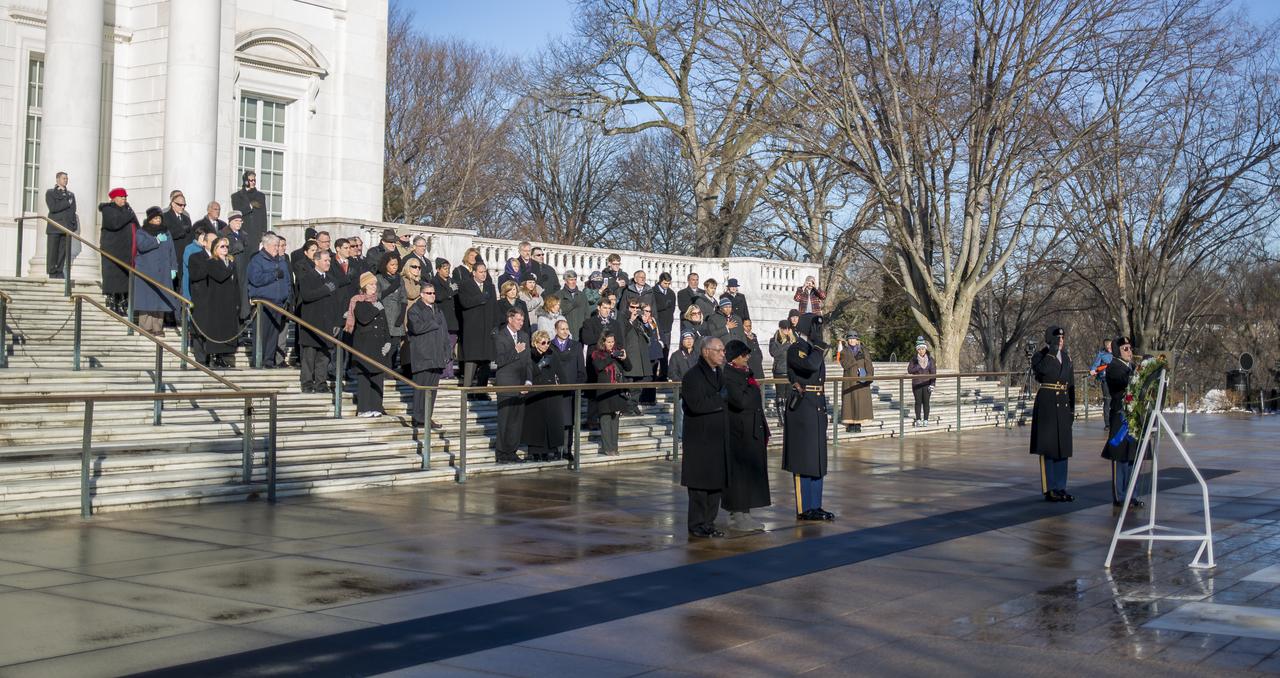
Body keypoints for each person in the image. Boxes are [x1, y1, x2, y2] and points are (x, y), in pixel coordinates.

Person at [784, 314, 834, 521]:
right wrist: (820, 348)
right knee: (804, 459)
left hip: (816, 406)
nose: (818, 333)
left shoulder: (813, 349)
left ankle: (816, 504)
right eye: (815, 328)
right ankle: (805, 508)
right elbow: (810, 366)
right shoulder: (796, 349)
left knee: (817, 457)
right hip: (803, 408)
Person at [680, 337, 730, 538]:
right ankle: (697, 523)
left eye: (723, 350)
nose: (722, 353)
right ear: (706, 351)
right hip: (700, 438)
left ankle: (709, 522)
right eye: (718, 350)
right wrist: (721, 398)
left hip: (718, 436)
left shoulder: (719, 373)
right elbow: (696, 405)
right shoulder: (692, 376)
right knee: (700, 486)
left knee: (715, 485)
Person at [722, 339, 771, 532]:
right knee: (739, 476)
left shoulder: (745, 374)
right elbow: (740, 400)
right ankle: (737, 514)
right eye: (744, 355)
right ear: (735, 357)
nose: (747, 358)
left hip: (752, 428)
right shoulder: (729, 375)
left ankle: (745, 513)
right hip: (739, 432)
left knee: (749, 475)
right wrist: (750, 388)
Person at [1030, 326, 1075, 502]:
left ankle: (1061, 486)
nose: (1061, 341)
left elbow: (1070, 384)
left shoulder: (1067, 357)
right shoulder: (1041, 357)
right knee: (1048, 447)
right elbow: (1043, 372)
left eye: (1063, 338)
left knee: (1062, 447)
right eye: (1057, 338)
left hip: (1063, 404)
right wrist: (1051, 351)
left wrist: (1072, 409)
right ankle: (1050, 488)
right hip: (1047, 404)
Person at [1102, 337, 1142, 509]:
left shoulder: (1131, 367)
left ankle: (1131, 494)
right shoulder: (1114, 367)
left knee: (1132, 456)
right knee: (1121, 457)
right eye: (1125, 349)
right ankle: (1120, 495)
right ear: (1118, 351)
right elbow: (1122, 381)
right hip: (1120, 416)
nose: (1129, 351)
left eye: (1130, 348)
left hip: (1134, 416)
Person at [191, 236, 241, 367]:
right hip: (217, 301)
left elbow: (236, 283)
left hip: (230, 302)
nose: (225, 249)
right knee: (217, 330)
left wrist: (238, 301)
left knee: (228, 330)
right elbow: (220, 276)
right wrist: (230, 268)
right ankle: (215, 356)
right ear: (215, 249)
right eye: (222, 246)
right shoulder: (211, 262)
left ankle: (225, 356)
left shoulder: (231, 262)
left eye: (226, 246)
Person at [348, 272, 393, 417]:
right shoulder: (358, 302)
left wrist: (388, 341)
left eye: (375, 284)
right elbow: (363, 319)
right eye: (371, 284)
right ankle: (363, 408)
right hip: (364, 345)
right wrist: (375, 309)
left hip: (378, 345)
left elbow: (385, 325)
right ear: (364, 287)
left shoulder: (377, 302)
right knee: (365, 377)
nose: (374, 287)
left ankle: (376, 407)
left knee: (377, 376)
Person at [406, 282, 448, 429]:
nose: (432, 296)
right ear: (422, 294)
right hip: (422, 356)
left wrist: (447, 351)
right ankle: (418, 418)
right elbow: (415, 328)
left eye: (434, 293)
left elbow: (445, 333)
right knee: (421, 389)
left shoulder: (438, 310)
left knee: (432, 390)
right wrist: (433, 323)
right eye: (429, 293)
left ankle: (427, 417)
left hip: (437, 356)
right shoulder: (414, 309)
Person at [131, 206, 179, 336]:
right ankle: (145, 327)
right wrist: (156, 240)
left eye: (159, 218)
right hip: (146, 271)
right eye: (155, 218)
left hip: (163, 270)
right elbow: (142, 246)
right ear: (150, 219)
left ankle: (157, 327)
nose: (158, 220)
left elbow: (171, 252)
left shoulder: (166, 233)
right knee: (146, 299)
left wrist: (174, 267)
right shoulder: (142, 232)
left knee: (160, 300)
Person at [246, 233, 291, 367]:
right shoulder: (257, 260)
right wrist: (273, 275)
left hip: (278, 303)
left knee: (273, 335)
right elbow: (255, 279)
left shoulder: (281, 260)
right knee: (261, 334)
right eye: (275, 245)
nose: (277, 248)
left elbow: (287, 281)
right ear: (266, 245)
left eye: (278, 245)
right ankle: (258, 360)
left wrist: (287, 297)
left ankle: (269, 360)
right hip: (263, 304)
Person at [297, 250, 340, 393]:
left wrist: (336, 323)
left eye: (329, 260)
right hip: (311, 323)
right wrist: (325, 289)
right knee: (309, 356)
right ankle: (307, 383)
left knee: (324, 356)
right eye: (325, 260)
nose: (328, 263)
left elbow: (336, 303)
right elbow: (307, 296)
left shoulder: (332, 279)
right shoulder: (306, 277)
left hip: (327, 323)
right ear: (316, 261)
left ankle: (321, 383)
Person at [494, 308, 533, 463]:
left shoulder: (524, 336)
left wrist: (528, 380)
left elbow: (528, 361)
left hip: (521, 383)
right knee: (505, 420)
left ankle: (512, 451)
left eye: (522, 320)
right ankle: (501, 453)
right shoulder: (500, 336)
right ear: (510, 319)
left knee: (516, 421)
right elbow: (499, 360)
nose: (521, 323)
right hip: (506, 384)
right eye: (518, 320)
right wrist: (515, 351)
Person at [523, 330, 566, 462]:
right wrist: (540, 365)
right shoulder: (529, 355)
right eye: (543, 342)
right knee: (536, 424)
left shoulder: (552, 354)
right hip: (535, 394)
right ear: (535, 343)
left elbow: (561, 373)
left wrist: (564, 386)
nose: (546, 345)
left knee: (551, 422)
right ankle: (536, 452)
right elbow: (528, 372)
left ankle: (550, 451)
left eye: (548, 342)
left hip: (551, 393)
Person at [456, 262, 497, 400]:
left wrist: (494, 326)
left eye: (485, 271)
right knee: (471, 359)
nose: (484, 274)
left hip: (487, 329)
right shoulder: (465, 285)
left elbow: (493, 307)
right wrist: (481, 298)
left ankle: (481, 391)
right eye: (480, 271)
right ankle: (467, 390)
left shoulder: (490, 287)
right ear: (474, 272)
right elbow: (464, 302)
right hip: (472, 329)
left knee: (486, 361)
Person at [98, 187, 138, 314]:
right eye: (122, 197)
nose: (124, 199)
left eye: (125, 197)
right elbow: (115, 223)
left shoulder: (127, 210)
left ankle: (124, 302)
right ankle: (113, 300)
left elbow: (136, 225)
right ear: (114, 198)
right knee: (114, 279)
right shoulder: (108, 210)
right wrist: (129, 214)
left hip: (126, 251)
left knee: (125, 279)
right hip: (112, 251)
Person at [590, 330, 631, 456]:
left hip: (617, 391)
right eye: (608, 342)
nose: (611, 344)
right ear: (603, 342)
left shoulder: (617, 352)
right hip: (604, 391)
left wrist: (624, 358)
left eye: (612, 342)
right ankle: (607, 448)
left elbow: (629, 368)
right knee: (605, 419)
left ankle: (615, 447)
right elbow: (599, 366)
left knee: (615, 420)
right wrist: (611, 355)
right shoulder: (597, 354)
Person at [550, 319, 586, 457]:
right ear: (556, 330)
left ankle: (566, 450)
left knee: (569, 421)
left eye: (567, 329)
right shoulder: (550, 345)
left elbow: (581, 370)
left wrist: (578, 385)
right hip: (555, 390)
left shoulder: (576, 345)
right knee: (555, 421)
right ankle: (555, 450)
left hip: (571, 390)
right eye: (562, 329)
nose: (565, 332)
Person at [838, 330, 874, 433]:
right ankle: (850, 423)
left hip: (861, 380)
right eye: (850, 339)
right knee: (850, 401)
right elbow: (844, 364)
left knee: (860, 402)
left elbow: (869, 364)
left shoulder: (864, 350)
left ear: (857, 340)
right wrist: (854, 359)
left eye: (854, 338)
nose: (852, 340)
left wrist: (869, 376)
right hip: (849, 380)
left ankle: (858, 423)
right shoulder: (844, 351)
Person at [44, 171, 78, 278]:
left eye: (67, 179)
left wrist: (73, 225)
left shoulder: (71, 194)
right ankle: (52, 272)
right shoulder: (50, 193)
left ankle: (59, 271)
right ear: (57, 179)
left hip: (66, 228)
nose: (66, 180)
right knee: (52, 251)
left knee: (62, 252)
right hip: (55, 227)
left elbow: (73, 210)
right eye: (64, 178)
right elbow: (53, 208)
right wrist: (67, 202)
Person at [621, 297, 651, 413]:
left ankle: (633, 405)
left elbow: (649, 335)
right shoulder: (623, 318)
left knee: (639, 384)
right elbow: (622, 333)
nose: (634, 310)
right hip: (630, 355)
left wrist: (645, 323)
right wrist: (631, 321)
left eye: (637, 308)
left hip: (641, 356)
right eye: (632, 307)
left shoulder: (640, 320)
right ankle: (629, 407)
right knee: (628, 384)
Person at [431, 258, 459, 380]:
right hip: (441, 317)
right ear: (438, 269)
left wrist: (452, 291)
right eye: (445, 268)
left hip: (453, 319)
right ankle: (443, 371)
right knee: (443, 346)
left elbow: (456, 292)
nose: (447, 271)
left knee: (451, 345)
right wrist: (450, 292)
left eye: (448, 268)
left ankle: (450, 371)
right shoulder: (434, 281)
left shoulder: (451, 280)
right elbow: (438, 296)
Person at [375, 255, 405, 369]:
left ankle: (390, 369)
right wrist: (391, 289)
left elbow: (404, 298)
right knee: (384, 344)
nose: (395, 267)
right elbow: (377, 296)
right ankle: (384, 369)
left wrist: (402, 315)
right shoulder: (379, 278)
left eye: (396, 265)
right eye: (392, 265)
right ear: (385, 265)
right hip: (384, 314)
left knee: (395, 344)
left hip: (397, 314)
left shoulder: (399, 278)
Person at [230, 170, 268, 253]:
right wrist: (250, 206)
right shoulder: (236, 196)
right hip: (243, 233)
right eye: (251, 180)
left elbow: (263, 216)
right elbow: (237, 213)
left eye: (254, 180)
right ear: (245, 181)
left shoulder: (260, 196)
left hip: (256, 235)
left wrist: (263, 233)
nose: (253, 182)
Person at [162, 191, 193, 293]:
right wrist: (181, 230)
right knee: (173, 283)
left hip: (184, 255)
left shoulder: (186, 218)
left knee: (184, 282)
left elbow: (190, 236)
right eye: (180, 205)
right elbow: (166, 235)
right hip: (172, 255)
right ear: (172, 203)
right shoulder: (165, 216)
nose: (182, 207)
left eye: (184, 205)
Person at [769, 320, 796, 423]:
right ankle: (781, 418)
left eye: (788, 328)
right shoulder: (774, 340)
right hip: (779, 371)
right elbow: (774, 353)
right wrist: (787, 344)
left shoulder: (793, 339)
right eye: (784, 328)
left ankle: (789, 416)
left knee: (789, 394)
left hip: (790, 371)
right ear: (780, 329)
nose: (787, 330)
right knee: (780, 394)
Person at [907, 337, 937, 426]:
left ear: (925, 349)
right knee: (918, 402)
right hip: (917, 384)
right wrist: (918, 367)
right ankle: (918, 419)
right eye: (919, 349)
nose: (921, 351)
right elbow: (909, 370)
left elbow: (933, 373)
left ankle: (926, 419)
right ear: (917, 350)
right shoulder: (914, 359)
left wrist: (932, 384)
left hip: (927, 384)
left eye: (923, 349)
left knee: (926, 402)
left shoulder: (930, 360)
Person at [652, 272, 677, 379]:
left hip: (667, 327)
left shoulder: (671, 293)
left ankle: (663, 374)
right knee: (655, 352)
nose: (667, 285)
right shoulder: (653, 291)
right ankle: (653, 375)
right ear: (660, 281)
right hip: (656, 326)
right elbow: (654, 308)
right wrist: (663, 306)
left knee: (665, 351)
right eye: (665, 283)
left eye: (669, 283)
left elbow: (672, 309)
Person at [1090, 339, 1114, 431]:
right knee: (1107, 401)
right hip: (1105, 380)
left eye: (1110, 345)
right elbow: (1095, 365)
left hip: (1115, 380)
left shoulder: (1116, 353)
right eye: (1107, 346)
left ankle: (1116, 421)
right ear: (1105, 346)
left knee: (1116, 401)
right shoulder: (1101, 354)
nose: (1109, 347)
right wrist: (1093, 370)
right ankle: (1107, 424)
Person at [559, 271, 588, 340]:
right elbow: (559, 312)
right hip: (565, 331)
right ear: (566, 281)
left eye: (575, 279)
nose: (574, 282)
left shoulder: (582, 295)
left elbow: (587, 314)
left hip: (580, 331)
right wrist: (572, 305)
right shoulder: (559, 295)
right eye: (571, 280)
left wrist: (586, 328)